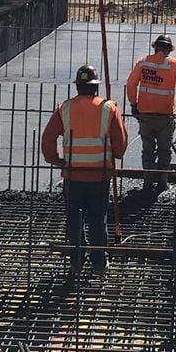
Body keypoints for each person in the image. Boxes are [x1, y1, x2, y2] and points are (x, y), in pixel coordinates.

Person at [40, 65, 129, 278]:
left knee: (74, 221)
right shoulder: (109, 109)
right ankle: (99, 263)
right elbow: (121, 145)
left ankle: (76, 262)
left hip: (73, 176)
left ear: (78, 87)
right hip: (99, 176)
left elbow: (47, 138)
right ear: (95, 88)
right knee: (98, 220)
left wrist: (56, 160)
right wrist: (113, 155)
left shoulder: (65, 109)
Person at [125, 34, 176, 190]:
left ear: (155, 47)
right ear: (168, 50)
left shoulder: (142, 63)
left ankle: (148, 182)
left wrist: (133, 104)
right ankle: (162, 182)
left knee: (147, 150)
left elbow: (130, 84)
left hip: (145, 115)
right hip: (165, 117)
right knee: (164, 150)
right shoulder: (174, 64)